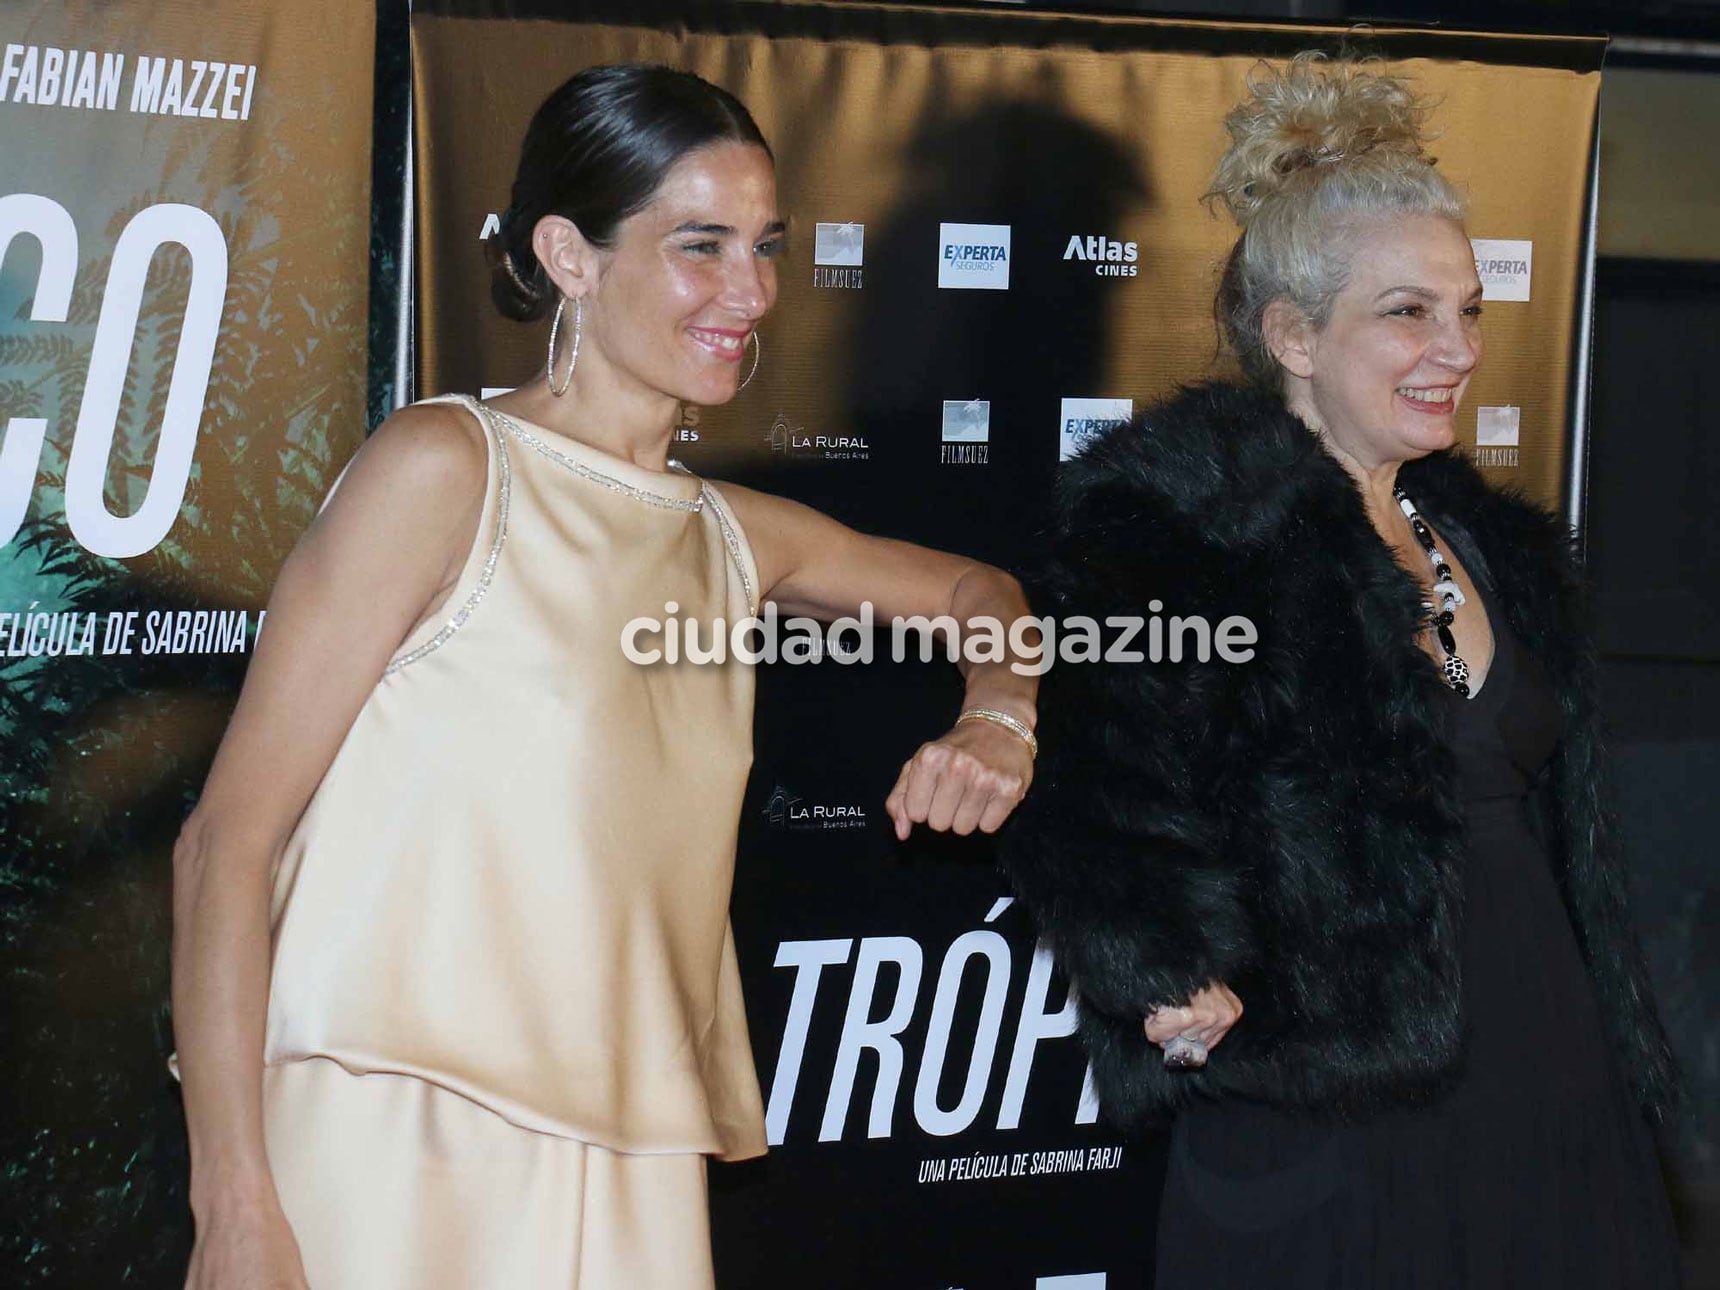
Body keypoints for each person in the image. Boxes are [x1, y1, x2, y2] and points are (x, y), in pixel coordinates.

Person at [172, 64, 1039, 1290]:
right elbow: (226, 845)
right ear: (570, 257)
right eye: (701, 246)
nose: (750, 292)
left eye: (764, 246)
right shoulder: (445, 470)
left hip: (632, 1157)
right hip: (392, 1139)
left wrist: (999, 716)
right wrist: (234, 1205)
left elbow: (980, 595)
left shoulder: (733, 533)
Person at [999, 52, 1680, 1288]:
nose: (1457, 348)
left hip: (1550, 1076)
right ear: (1293, 336)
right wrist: (1158, 961)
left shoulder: (1490, 541)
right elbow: (1088, 774)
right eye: (1407, 312)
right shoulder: (1184, 522)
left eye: (1468, 308)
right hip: (1329, 1099)